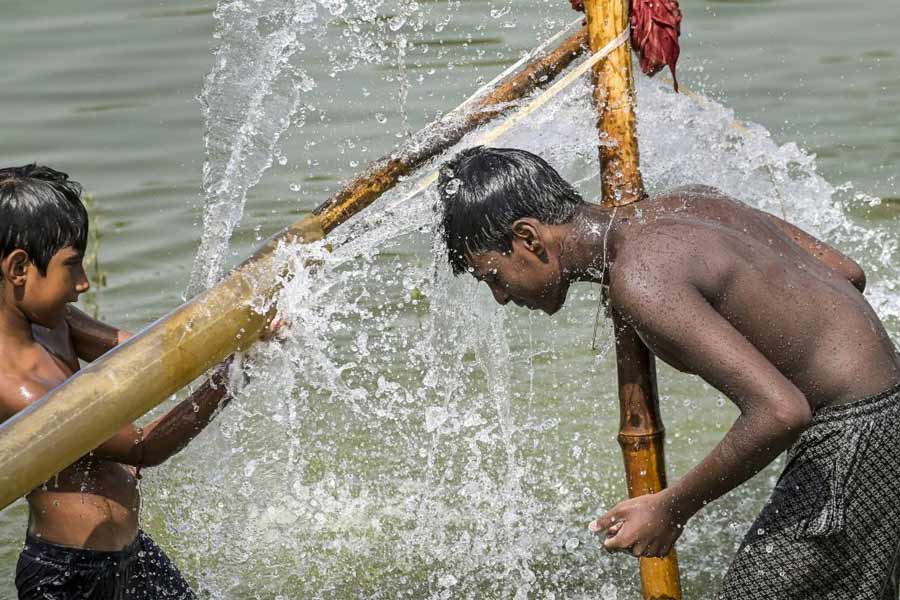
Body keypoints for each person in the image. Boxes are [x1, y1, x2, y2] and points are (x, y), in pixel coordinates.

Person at [437, 146, 900, 599]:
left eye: (493, 276)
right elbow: (846, 272)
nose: (500, 296)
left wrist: (672, 508)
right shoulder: (690, 202)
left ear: (529, 238)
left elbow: (780, 412)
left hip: (856, 433)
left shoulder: (641, 278)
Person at [0, 164, 267, 599]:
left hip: (133, 554)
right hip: (68, 576)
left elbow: (152, 352)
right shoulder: (16, 388)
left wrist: (240, 318)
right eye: (71, 266)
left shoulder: (57, 322)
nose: (84, 283)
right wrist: (238, 371)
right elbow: (144, 447)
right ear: (18, 268)